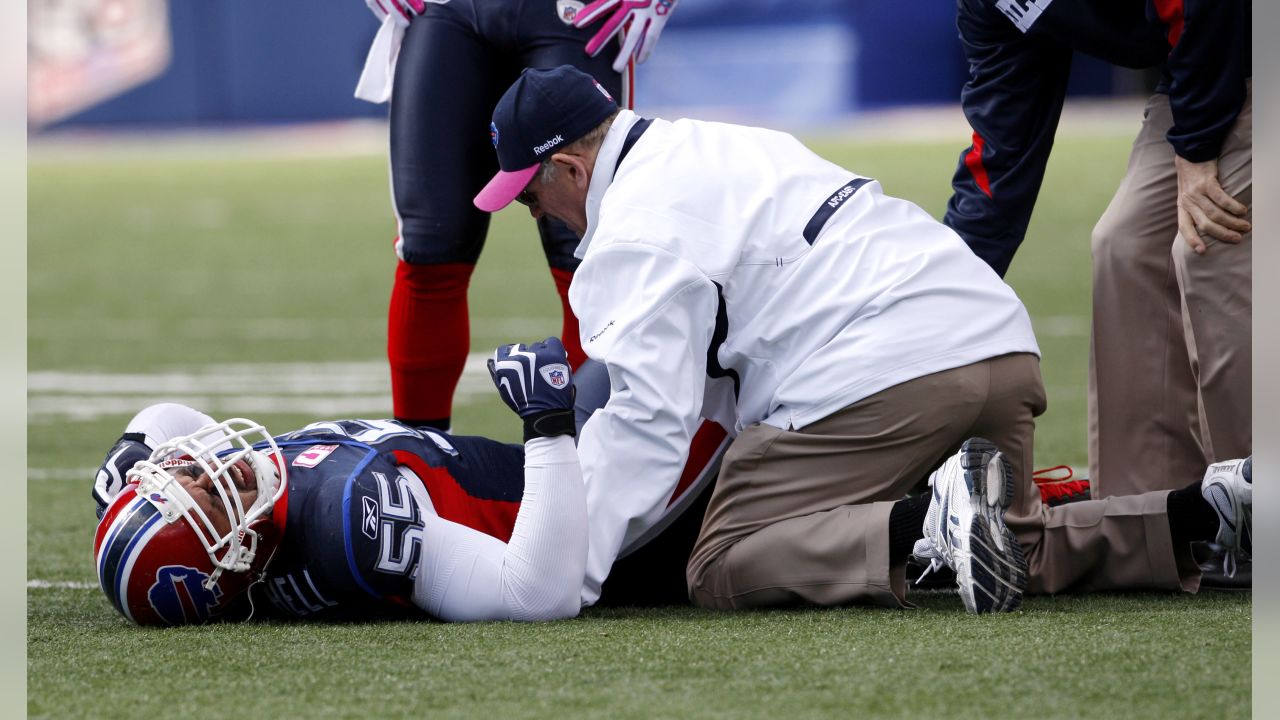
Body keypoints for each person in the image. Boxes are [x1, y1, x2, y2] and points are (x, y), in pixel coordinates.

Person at [473, 65, 1253, 613]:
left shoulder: (633, 231)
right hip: (995, 339)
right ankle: (1205, 512)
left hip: (888, 369)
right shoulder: (722, 142)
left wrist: (561, 569)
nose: (538, 219)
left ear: (571, 169)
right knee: (1021, 553)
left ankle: (930, 524)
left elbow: (649, 424)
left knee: (717, 562)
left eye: (531, 200)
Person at [92, 340, 726, 625]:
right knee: (703, 329)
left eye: (184, 472)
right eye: (204, 493)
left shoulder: (260, 508)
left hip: (583, 462)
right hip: (609, 515)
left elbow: (164, 420)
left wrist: (128, 466)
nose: (208, 468)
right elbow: (538, 594)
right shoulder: (348, 519)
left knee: (679, 320)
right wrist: (546, 422)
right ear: (225, 560)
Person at [941, 0, 1252, 507]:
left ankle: (1257, 510)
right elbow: (999, 162)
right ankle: (1149, 520)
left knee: (1209, 243)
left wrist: (1196, 151)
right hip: (1204, 67)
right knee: (1124, 246)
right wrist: (936, 300)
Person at [354, 0, 677, 433]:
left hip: (571, 12)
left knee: (587, 249)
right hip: (444, 11)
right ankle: (416, 466)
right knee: (430, 245)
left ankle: (592, 458)